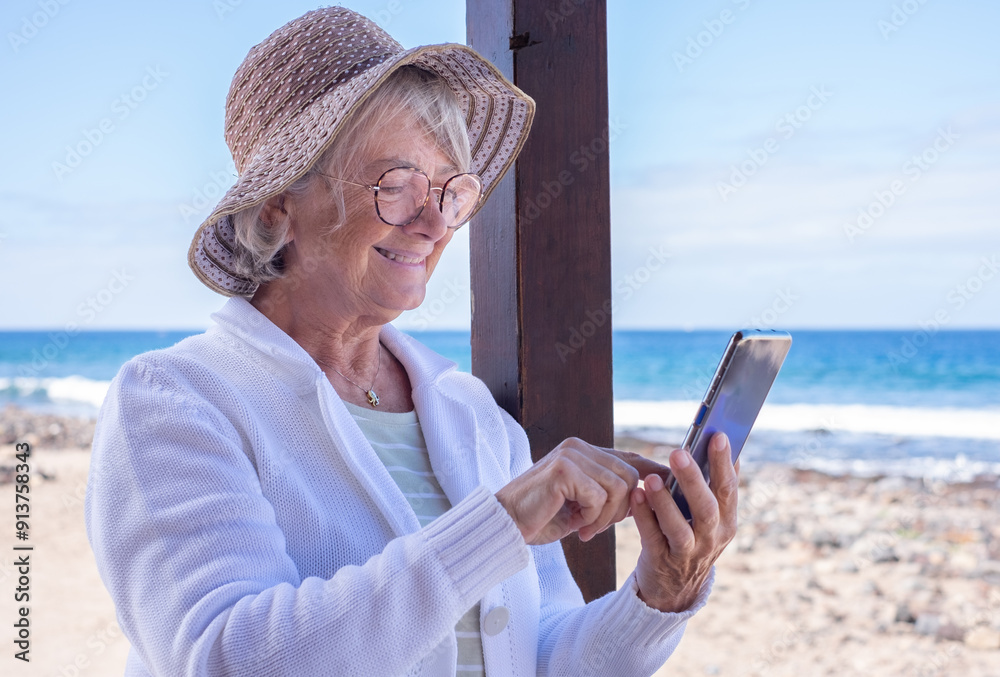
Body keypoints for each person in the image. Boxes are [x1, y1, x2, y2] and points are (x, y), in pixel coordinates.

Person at [85, 7, 738, 676]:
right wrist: (500, 524)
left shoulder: (472, 415)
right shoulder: (174, 400)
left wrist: (661, 595)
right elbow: (228, 656)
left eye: (452, 191)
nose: (433, 223)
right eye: (396, 185)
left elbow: (540, 656)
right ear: (276, 207)